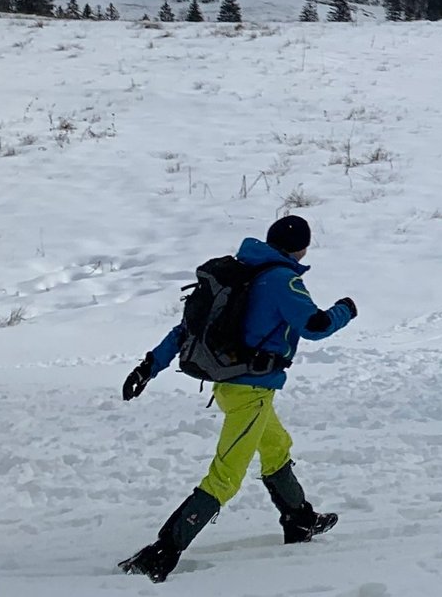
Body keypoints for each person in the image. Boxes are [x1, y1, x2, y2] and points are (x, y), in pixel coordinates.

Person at [117, 215, 356, 583]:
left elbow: (185, 330)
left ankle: (299, 519)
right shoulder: (282, 280)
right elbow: (316, 326)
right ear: (301, 247)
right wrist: (346, 309)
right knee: (226, 475)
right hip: (251, 392)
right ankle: (163, 550)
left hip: (230, 385)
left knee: (276, 446)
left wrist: (148, 367)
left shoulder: (239, 271)